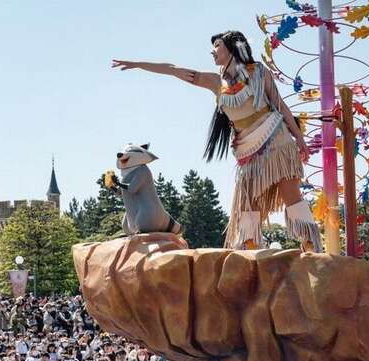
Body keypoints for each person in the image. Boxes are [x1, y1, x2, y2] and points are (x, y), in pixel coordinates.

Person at [112, 30, 322, 252]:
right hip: (246, 150)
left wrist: (299, 138)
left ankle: (311, 246)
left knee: (291, 195)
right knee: (246, 203)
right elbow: (173, 70)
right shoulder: (215, 82)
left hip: (276, 139)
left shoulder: (258, 72)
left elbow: (279, 105)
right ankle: (250, 247)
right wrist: (137, 64)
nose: (212, 51)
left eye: (217, 45)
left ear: (233, 47)